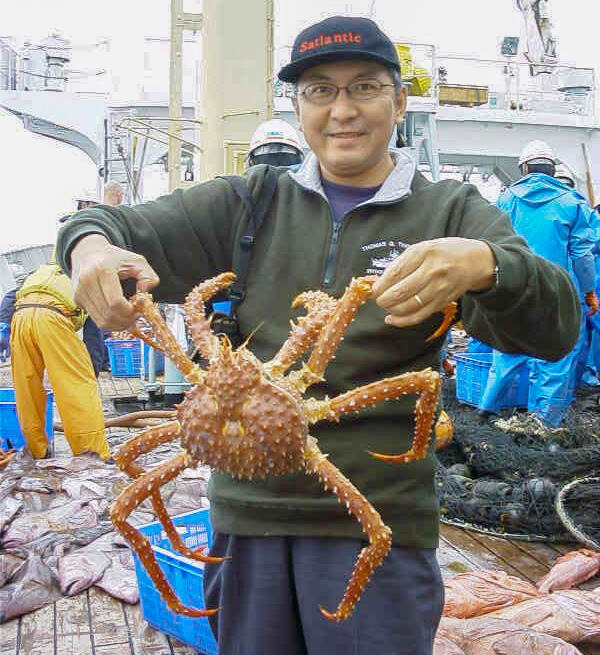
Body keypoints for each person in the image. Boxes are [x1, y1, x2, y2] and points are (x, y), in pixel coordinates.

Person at [56, 16, 580, 655]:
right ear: (298, 105)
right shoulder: (249, 204)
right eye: (320, 91)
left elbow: (558, 327)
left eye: (364, 87)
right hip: (246, 526)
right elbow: (107, 223)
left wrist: (488, 265)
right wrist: (87, 250)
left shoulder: (450, 210)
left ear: (399, 100)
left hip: (376, 522)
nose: (343, 111)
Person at [479, 140, 598, 426]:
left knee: (507, 349)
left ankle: (487, 408)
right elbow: (582, 255)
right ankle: (543, 421)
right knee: (554, 356)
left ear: (525, 168)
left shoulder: (507, 199)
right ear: (553, 169)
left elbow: (492, 245)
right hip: (556, 291)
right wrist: (589, 291)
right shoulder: (573, 203)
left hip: (514, 288)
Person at [10, 261, 110, 461]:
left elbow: (9, 297)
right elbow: (94, 338)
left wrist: (4, 325)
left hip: (20, 318)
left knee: (26, 387)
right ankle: (91, 456)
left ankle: (37, 451)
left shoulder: (42, 270)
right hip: (53, 318)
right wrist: (90, 371)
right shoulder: (89, 280)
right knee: (76, 386)